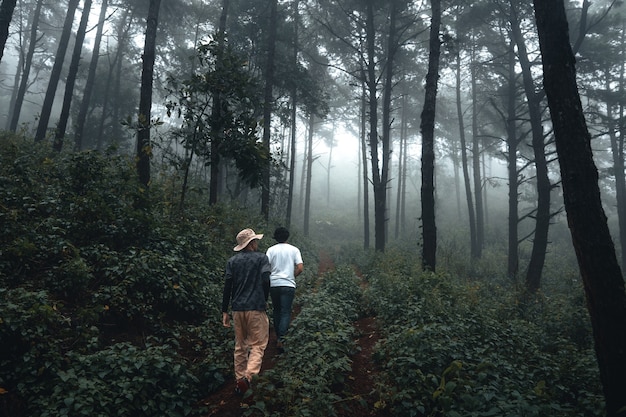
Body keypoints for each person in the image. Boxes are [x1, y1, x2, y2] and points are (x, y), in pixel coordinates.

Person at [221, 228, 271, 395]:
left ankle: (238, 380)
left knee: (240, 346)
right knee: (258, 344)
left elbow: (228, 287)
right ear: (252, 243)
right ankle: (248, 378)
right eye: (255, 241)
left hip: (237, 308)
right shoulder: (262, 258)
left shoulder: (232, 261)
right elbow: (265, 280)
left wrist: (224, 310)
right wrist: (264, 298)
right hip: (256, 306)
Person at [266, 227, 304, 353]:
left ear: (276, 238)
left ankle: (278, 337)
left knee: (276, 311)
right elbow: (300, 267)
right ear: (287, 237)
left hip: (274, 284)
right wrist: (292, 276)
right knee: (286, 311)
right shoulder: (294, 250)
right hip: (288, 285)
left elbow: (266, 268)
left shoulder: (271, 250)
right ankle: (282, 339)